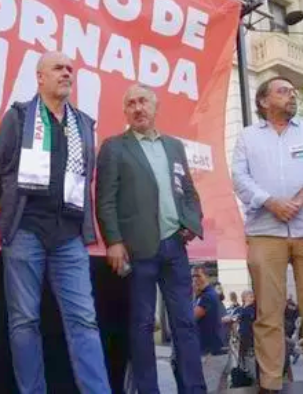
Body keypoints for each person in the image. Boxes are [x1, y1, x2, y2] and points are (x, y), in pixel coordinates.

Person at [0, 51, 110, 393]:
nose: (67, 73)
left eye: (70, 69)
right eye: (58, 68)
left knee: (84, 320)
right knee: (24, 321)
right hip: (25, 231)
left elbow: (86, 180)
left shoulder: (83, 123)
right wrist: (12, 207)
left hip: (69, 235)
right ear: (40, 77)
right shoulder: (19, 116)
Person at [231, 76, 303, 394]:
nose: (291, 95)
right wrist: (270, 202)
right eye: (283, 91)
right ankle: (270, 385)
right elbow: (239, 177)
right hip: (266, 234)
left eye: (293, 91)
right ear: (264, 101)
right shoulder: (248, 137)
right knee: (268, 315)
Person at [95, 83, 205, 393]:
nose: (138, 108)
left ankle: (193, 388)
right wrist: (113, 241)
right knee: (142, 326)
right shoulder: (114, 147)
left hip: (175, 246)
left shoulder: (173, 146)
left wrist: (191, 222)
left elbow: (188, 191)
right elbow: (105, 199)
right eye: (131, 103)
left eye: (144, 101)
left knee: (184, 322)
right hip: (136, 248)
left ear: (155, 107)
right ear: (125, 111)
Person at [193, 266, 229, 392]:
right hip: (216, 350)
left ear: (207, 277)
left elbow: (191, 318)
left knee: (209, 389)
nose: (195, 279)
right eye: (193, 276)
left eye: (198, 276)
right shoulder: (204, 295)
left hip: (212, 352)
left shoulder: (207, 296)